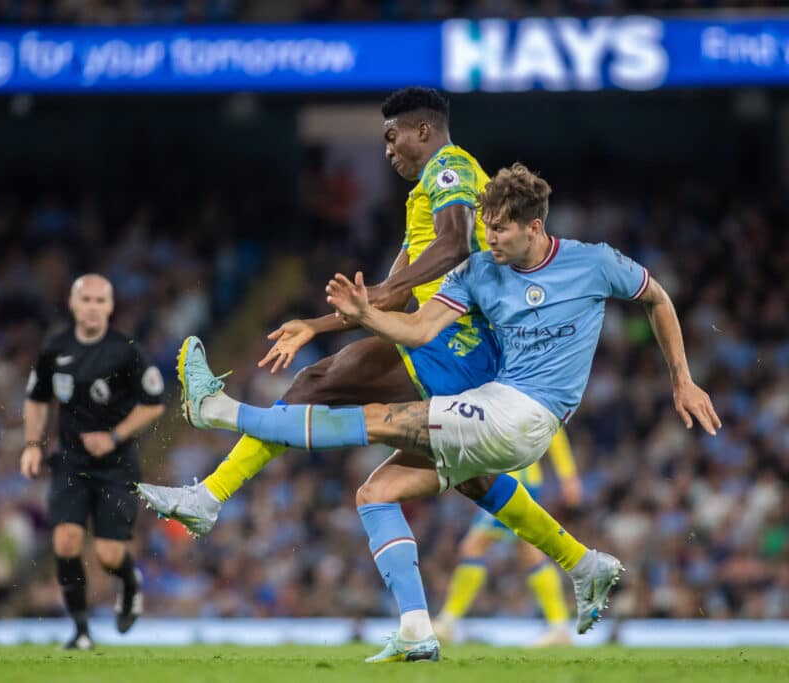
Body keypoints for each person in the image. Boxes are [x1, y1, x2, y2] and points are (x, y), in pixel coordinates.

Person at [170, 163, 720, 662]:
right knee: (376, 493)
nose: (488, 236)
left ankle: (219, 411)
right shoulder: (480, 271)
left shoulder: (594, 262)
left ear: (534, 226)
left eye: (499, 227)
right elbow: (418, 327)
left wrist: (683, 380)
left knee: (384, 419)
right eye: (485, 224)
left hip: (526, 415)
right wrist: (366, 315)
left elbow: (657, 298)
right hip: (496, 410)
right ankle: (433, 622)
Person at [139, 86, 501, 534]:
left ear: (423, 130)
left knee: (317, 384)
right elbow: (387, 297)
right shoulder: (418, 200)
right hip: (448, 339)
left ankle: (212, 463)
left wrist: (383, 296)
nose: (386, 150)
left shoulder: (450, 167)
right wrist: (316, 325)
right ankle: (581, 562)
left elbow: (453, 244)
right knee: (473, 477)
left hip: (466, 341)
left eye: (392, 137)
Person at [21, 274, 166, 650]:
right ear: (73, 304)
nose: (92, 306)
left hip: (116, 466)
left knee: (107, 554)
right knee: (66, 541)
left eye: (100, 301)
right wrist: (32, 444)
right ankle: (81, 630)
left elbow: (154, 403)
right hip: (70, 461)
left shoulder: (126, 350)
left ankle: (130, 581)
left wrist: (115, 436)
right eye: (86, 299)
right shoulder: (55, 348)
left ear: (110, 307)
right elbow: (36, 398)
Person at [433, 434, 582, 647]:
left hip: (512, 479)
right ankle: (559, 627)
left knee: (473, 547)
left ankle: (447, 622)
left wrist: (568, 476)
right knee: (528, 551)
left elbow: (553, 428)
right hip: (514, 476)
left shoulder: (524, 399)